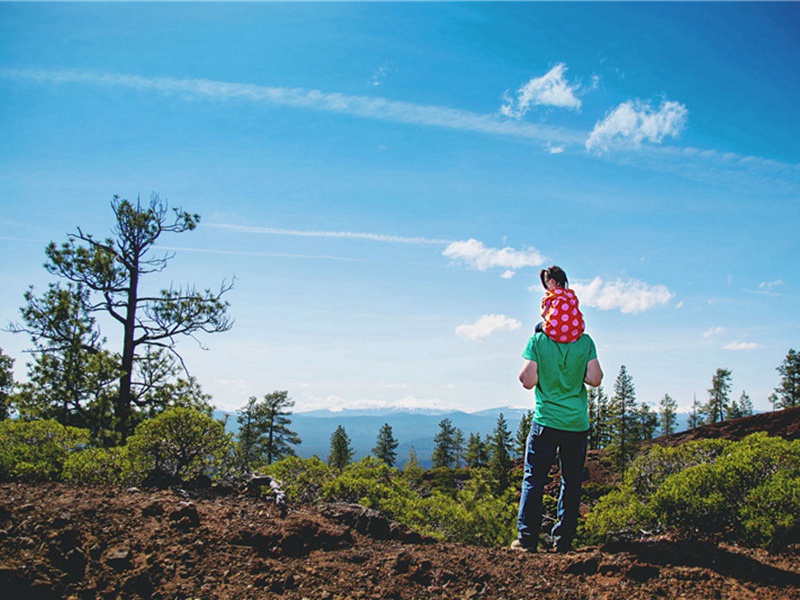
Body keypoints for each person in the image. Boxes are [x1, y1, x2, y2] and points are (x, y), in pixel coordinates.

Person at [511, 328, 603, 553]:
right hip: (575, 424)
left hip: (546, 422)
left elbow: (528, 381)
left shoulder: (538, 340)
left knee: (534, 479)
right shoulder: (585, 341)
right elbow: (595, 378)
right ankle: (563, 541)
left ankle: (527, 540)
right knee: (571, 482)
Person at [535, 266, 585, 344]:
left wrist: (541, 308)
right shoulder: (571, 295)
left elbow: (543, 314)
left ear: (552, 282)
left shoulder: (550, 296)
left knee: (538, 327)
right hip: (575, 330)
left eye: (546, 283)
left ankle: (541, 348)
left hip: (556, 330)